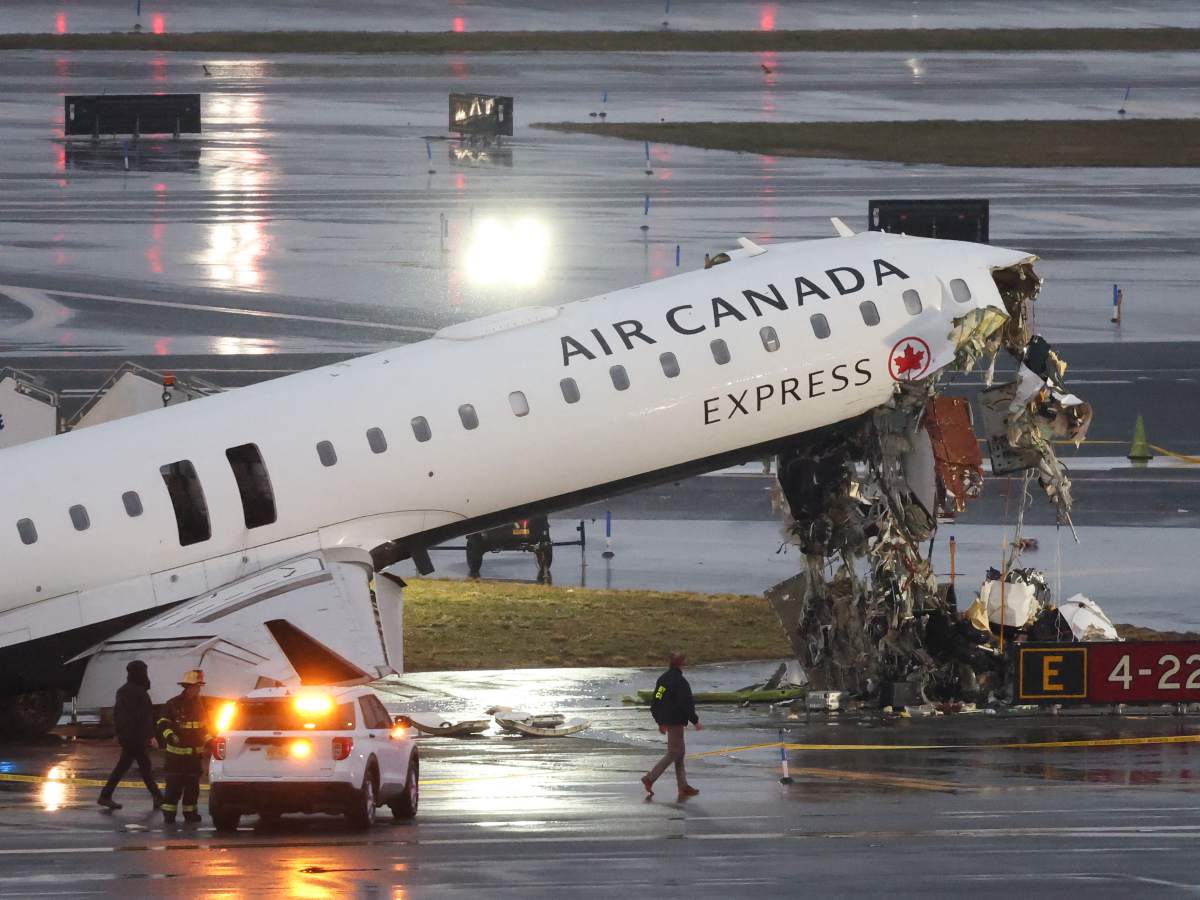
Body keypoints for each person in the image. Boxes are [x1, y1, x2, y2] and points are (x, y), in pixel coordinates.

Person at [97, 660, 163, 810]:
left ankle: (105, 795)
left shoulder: (123, 691)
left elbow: (118, 715)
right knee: (144, 767)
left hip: (128, 736)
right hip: (136, 737)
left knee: (126, 766)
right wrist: (151, 736)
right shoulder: (140, 693)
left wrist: (120, 733)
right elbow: (145, 717)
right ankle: (158, 797)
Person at [641, 650, 702, 802]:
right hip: (676, 722)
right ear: (682, 663)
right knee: (674, 752)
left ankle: (683, 786)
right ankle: (650, 778)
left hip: (668, 721)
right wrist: (695, 721)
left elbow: (657, 700)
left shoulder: (663, 681)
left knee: (679, 753)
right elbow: (685, 703)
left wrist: (660, 721)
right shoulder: (680, 682)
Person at [156, 669, 212, 825]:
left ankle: (190, 813)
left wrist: (210, 741)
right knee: (174, 787)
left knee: (192, 787)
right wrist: (169, 735)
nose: (199, 690)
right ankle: (169, 814)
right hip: (176, 756)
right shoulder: (173, 704)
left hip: (194, 756)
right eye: (196, 686)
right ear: (188, 687)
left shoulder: (201, 705)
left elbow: (205, 727)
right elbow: (162, 723)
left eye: (199, 687)